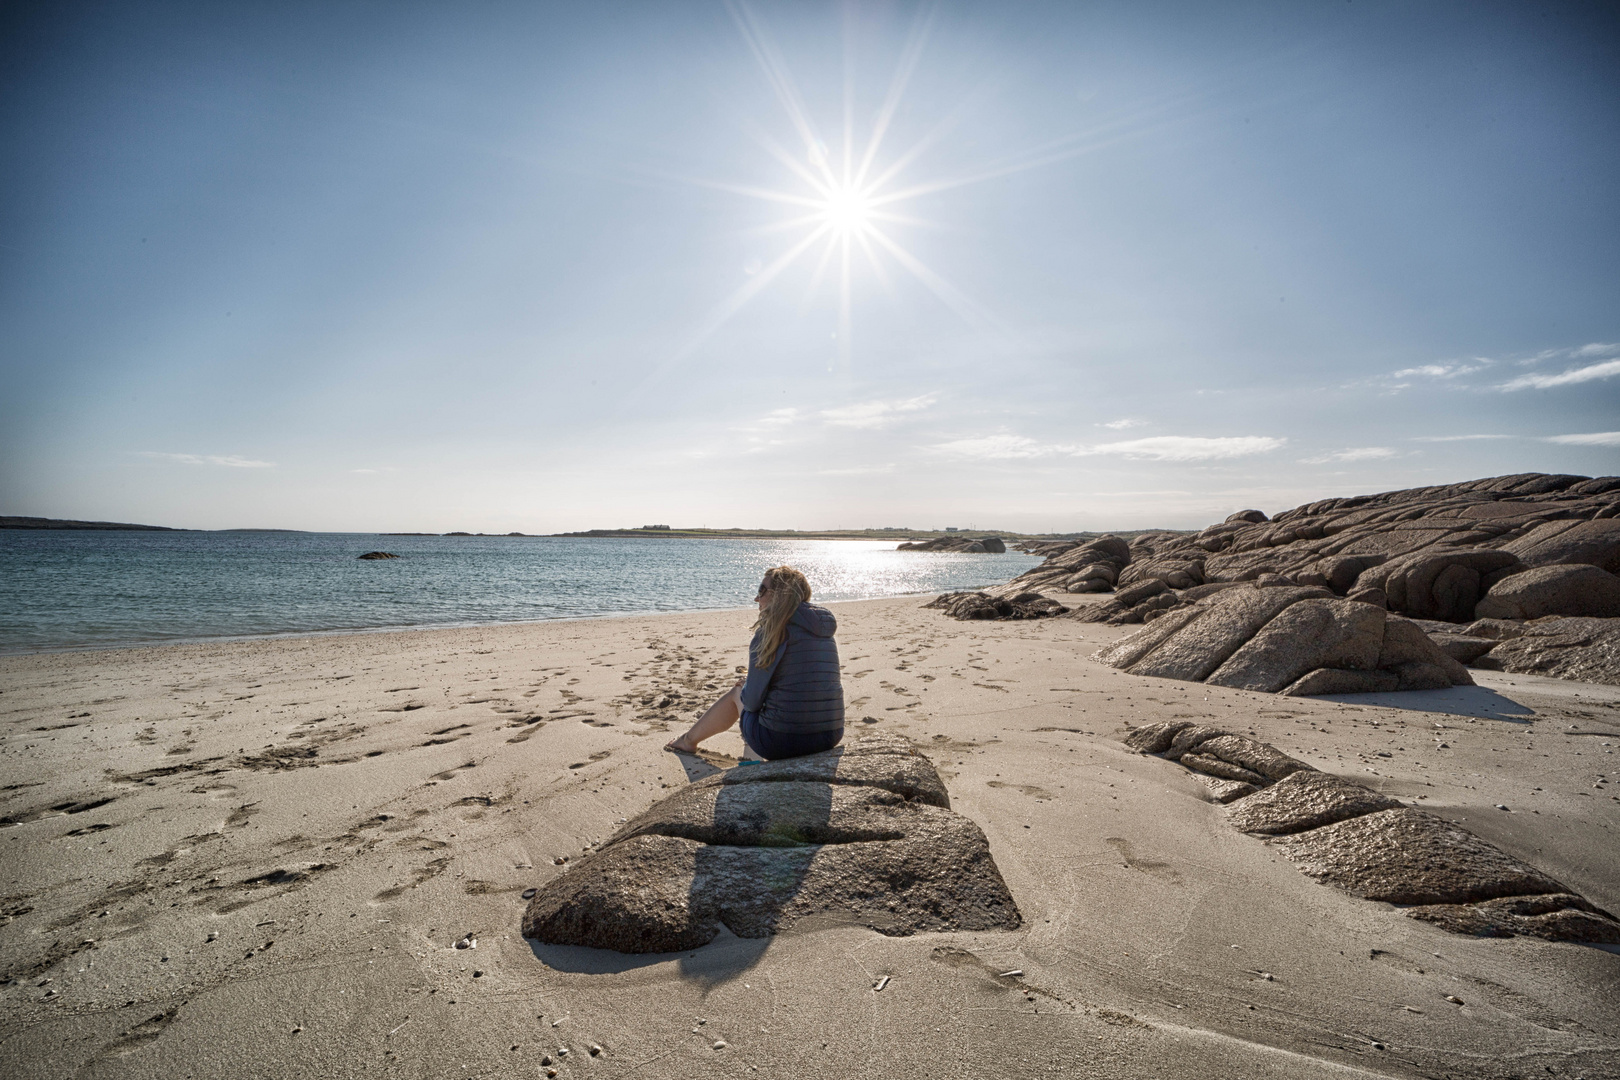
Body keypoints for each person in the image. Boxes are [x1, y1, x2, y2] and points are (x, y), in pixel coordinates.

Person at [664, 565, 844, 760]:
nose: (756, 598)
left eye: (761, 590)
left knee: (738, 693)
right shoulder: (823, 629)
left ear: (779, 595)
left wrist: (746, 686)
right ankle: (694, 742)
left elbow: (751, 702)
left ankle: (691, 742)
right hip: (830, 736)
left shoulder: (772, 631)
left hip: (783, 742)